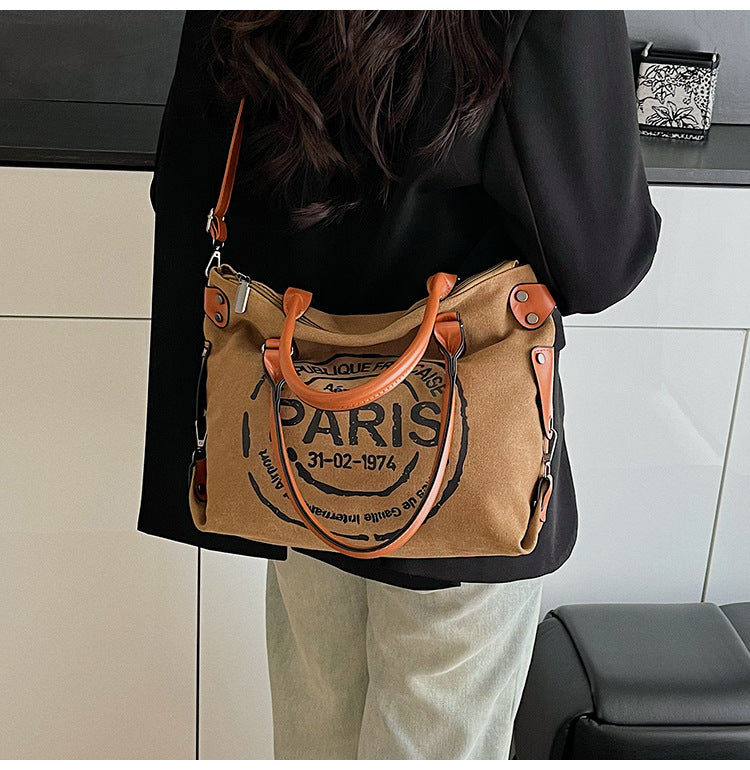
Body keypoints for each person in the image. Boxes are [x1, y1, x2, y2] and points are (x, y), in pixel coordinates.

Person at [138, 10, 661, 760]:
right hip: (470, 462)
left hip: (296, 440)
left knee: (315, 732)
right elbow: (597, 258)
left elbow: (193, 182)